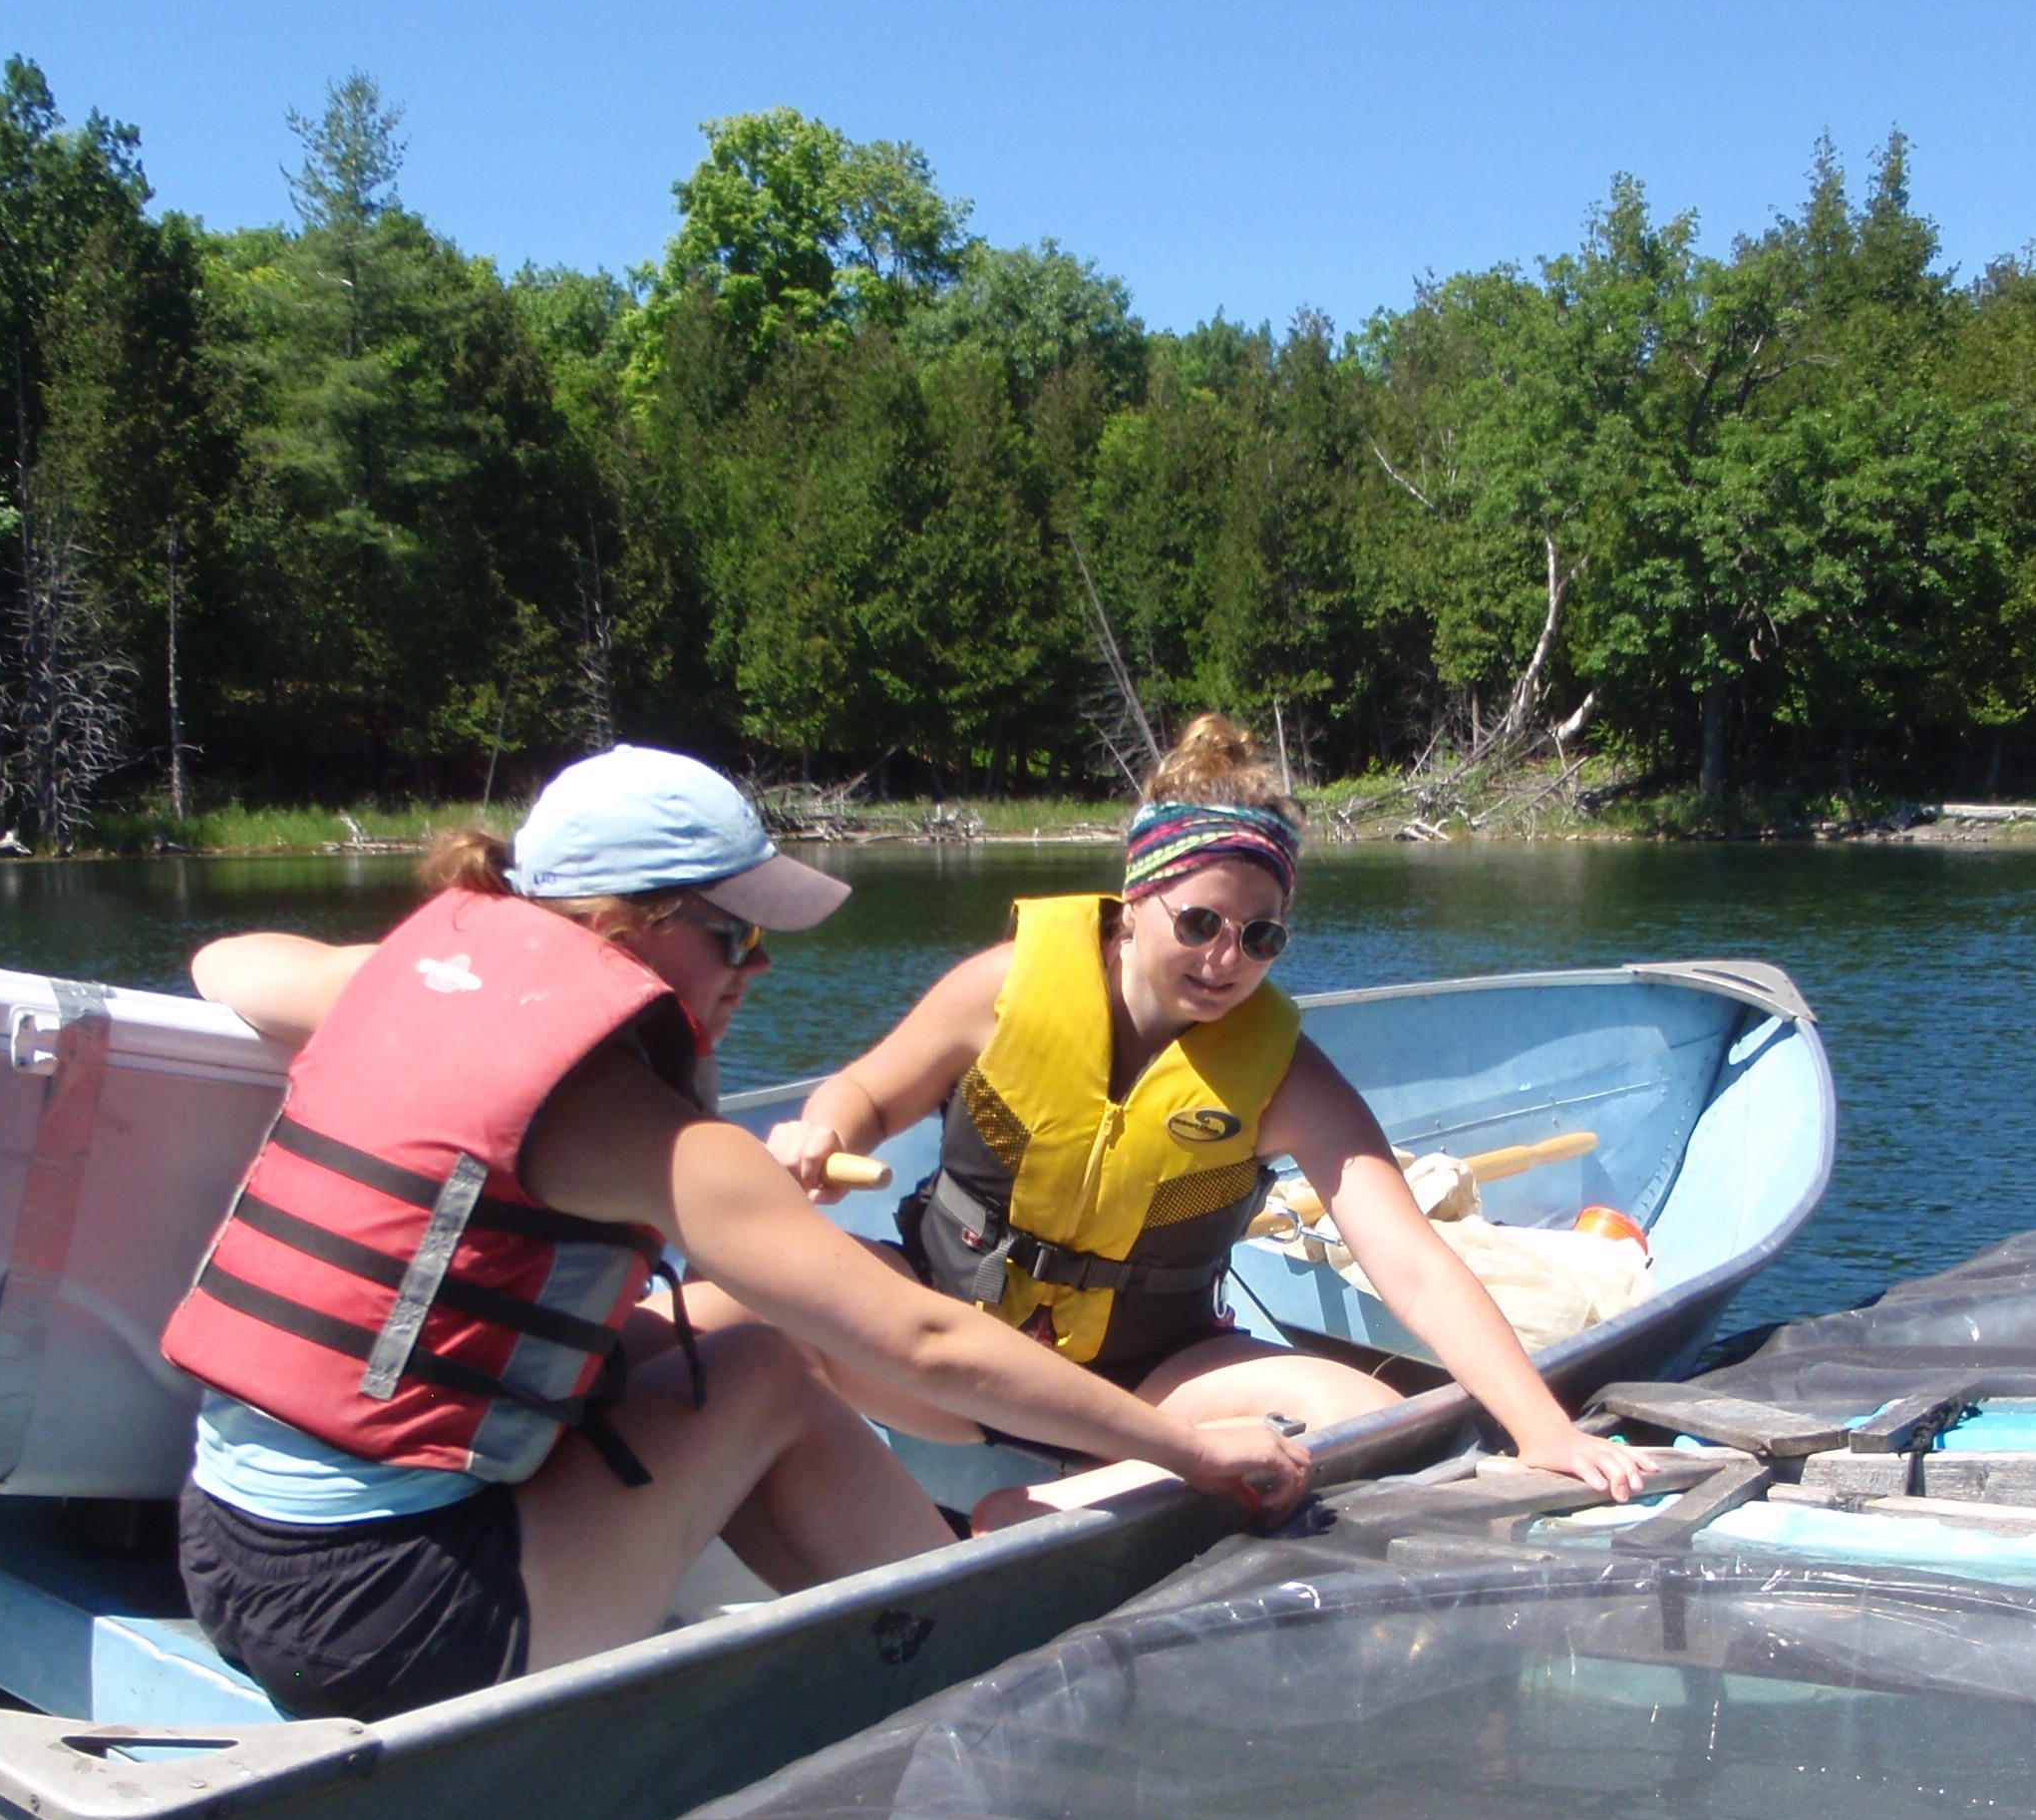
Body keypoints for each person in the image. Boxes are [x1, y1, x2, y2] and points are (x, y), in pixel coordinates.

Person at [159, 745, 1310, 1720]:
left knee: (701, 1336)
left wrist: (391, 974)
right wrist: (1194, 1456)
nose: (758, 971)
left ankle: (909, 1603)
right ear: (620, 923)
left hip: (221, 1547)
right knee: (760, 1369)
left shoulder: (408, 983)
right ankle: (1003, 1675)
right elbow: (925, 1342)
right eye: (733, 937)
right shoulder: (635, 1126)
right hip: (390, 1622)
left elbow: (227, 962)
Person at [757, 715, 1643, 1511]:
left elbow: (1412, 1265)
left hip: (1144, 1391)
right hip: (943, 1349)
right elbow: (867, 1094)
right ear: (1136, 899)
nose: (1227, 959)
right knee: (734, 1302)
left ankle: (1035, 1518)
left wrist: (1543, 1432)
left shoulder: (1286, 1076)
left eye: (1261, 938)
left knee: (1366, 1419)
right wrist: (823, 1129)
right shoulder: (1002, 991)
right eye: (1200, 924)